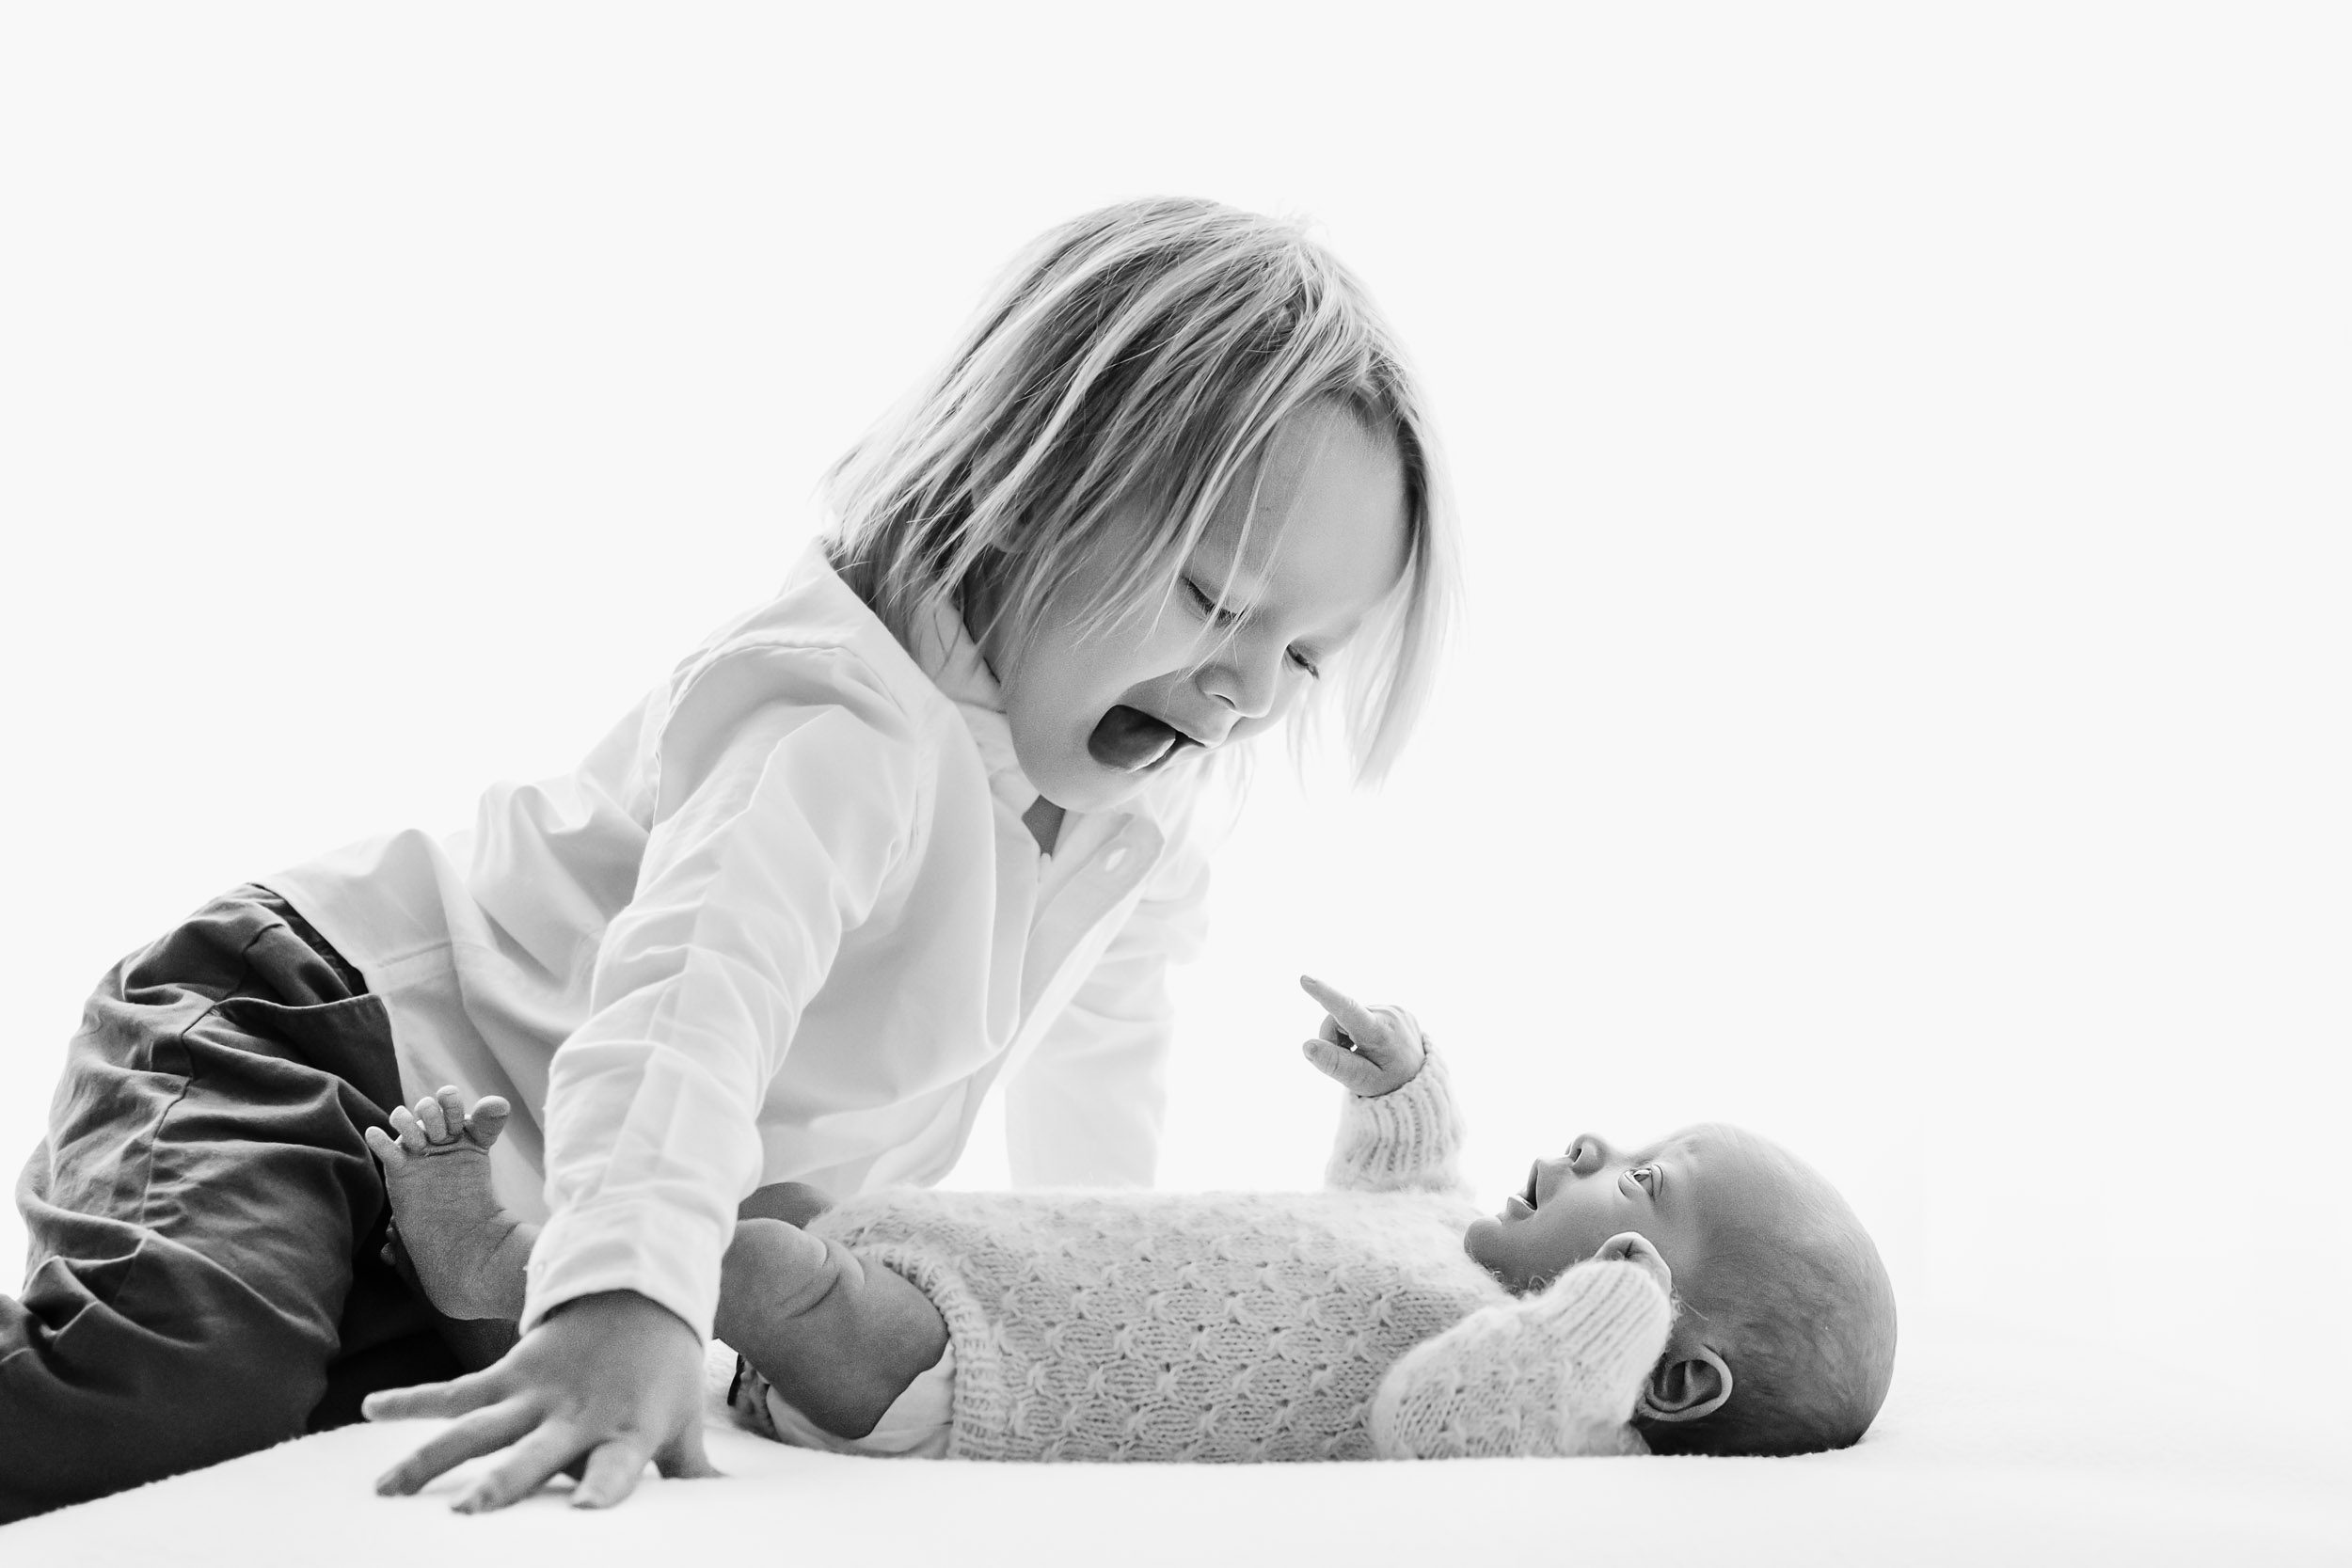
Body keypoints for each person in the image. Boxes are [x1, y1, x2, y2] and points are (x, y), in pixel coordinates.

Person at [0, 198, 1458, 1521]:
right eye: (1216, 599)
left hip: (479, 1198)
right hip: (314, 1036)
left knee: (350, 1421)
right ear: (1029, 492)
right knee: (180, 1382)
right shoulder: (839, 722)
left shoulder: (1136, 831)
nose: (1251, 693)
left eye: (1305, 658)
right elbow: (692, 1007)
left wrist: (1088, 1346)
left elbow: (1100, 1108)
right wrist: (632, 1292)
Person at [367, 978, 1899, 1470]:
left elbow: (1433, 1421)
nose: (1588, 1144)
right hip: (961, 1262)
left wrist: (1594, 1337)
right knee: (778, 1204)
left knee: (763, 1267)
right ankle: (572, 1286)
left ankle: (504, 1272)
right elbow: (1387, 1205)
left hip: (974, 1370)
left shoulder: (1523, 1383)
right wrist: (1407, 1099)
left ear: (1668, 1365)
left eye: (1640, 1189)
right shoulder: (1461, 1251)